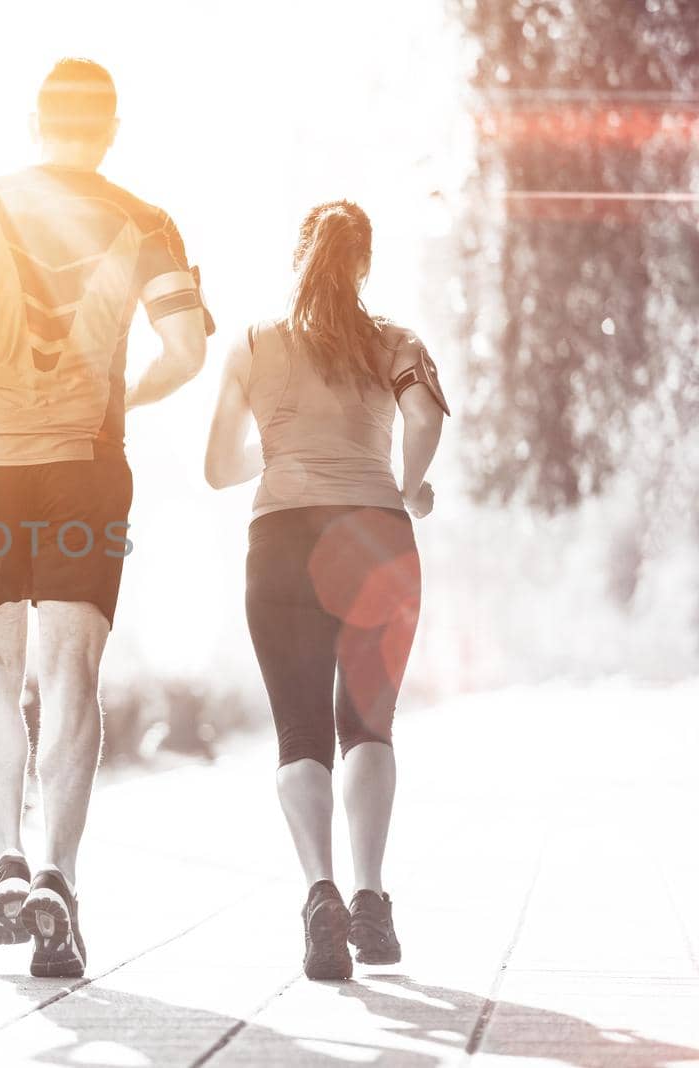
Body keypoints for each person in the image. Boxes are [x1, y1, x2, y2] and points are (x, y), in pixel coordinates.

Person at [0, 58, 211, 978]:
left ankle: (1, 862)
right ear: (110, 129)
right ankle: (59, 879)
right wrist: (125, 401)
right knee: (72, 671)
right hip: (86, 469)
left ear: (36, 122)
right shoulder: (145, 221)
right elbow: (185, 350)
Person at [203, 200, 448, 980]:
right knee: (369, 726)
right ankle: (372, 901)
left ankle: (321, 896)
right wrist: (409, 485)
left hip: (280, 542)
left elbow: (215, 468)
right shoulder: (396, 341)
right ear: (364, 264)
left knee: (300, 735)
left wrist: (278, 453)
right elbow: (423, 416)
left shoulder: (252, 345)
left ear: (299, 257)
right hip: (376, 534)